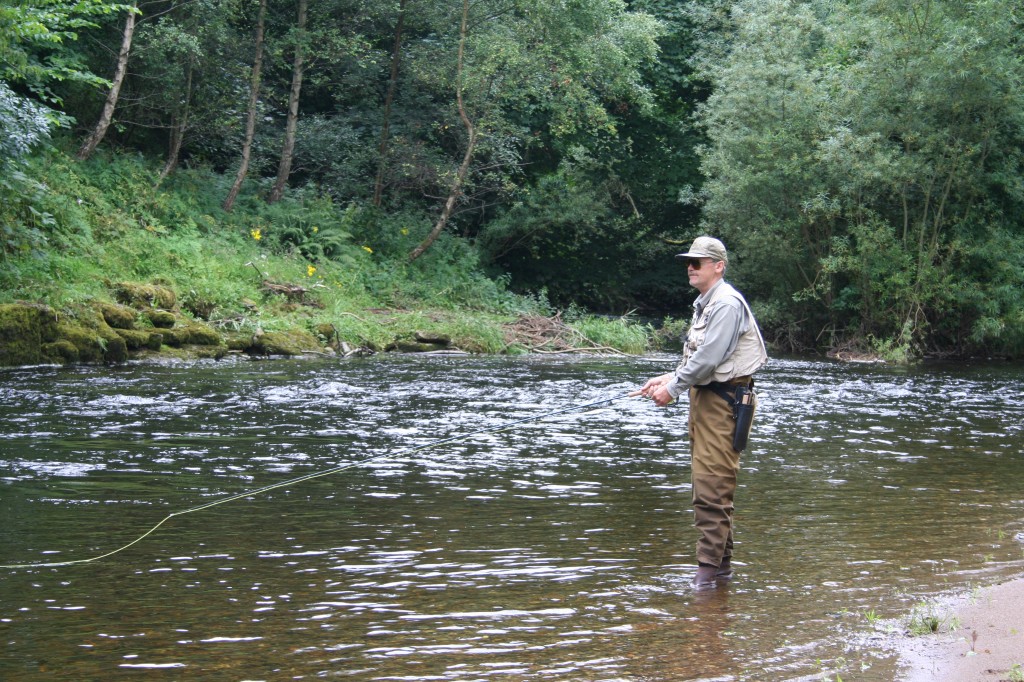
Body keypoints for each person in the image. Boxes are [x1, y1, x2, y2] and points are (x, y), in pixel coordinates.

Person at [634, 236, 768, 590]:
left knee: (712, 487)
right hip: (708, 399)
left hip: (721, 404)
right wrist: (667, 378)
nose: (690, 267)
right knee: (708, 487)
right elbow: (705, 359)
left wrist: (673, 388)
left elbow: (709, 358)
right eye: (688, 262)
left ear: (718, 266)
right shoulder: (706, 303)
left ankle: (706, 580)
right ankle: (719, 574)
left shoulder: (725, 304)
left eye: (698, 262)